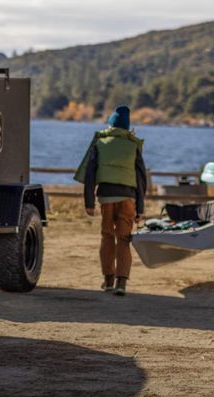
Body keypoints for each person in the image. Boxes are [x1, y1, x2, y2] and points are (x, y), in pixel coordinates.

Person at [74, 106, 147, 296]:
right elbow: (141, 179)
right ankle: (121, 283)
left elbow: (90, 175)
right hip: (128, 198)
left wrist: (89, 202)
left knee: (107, 236)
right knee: (124, 239)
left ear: (111, 124)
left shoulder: (100, 143)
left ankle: (107, 280)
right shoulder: (133, 146)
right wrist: (140, 207)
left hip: (106, 197)